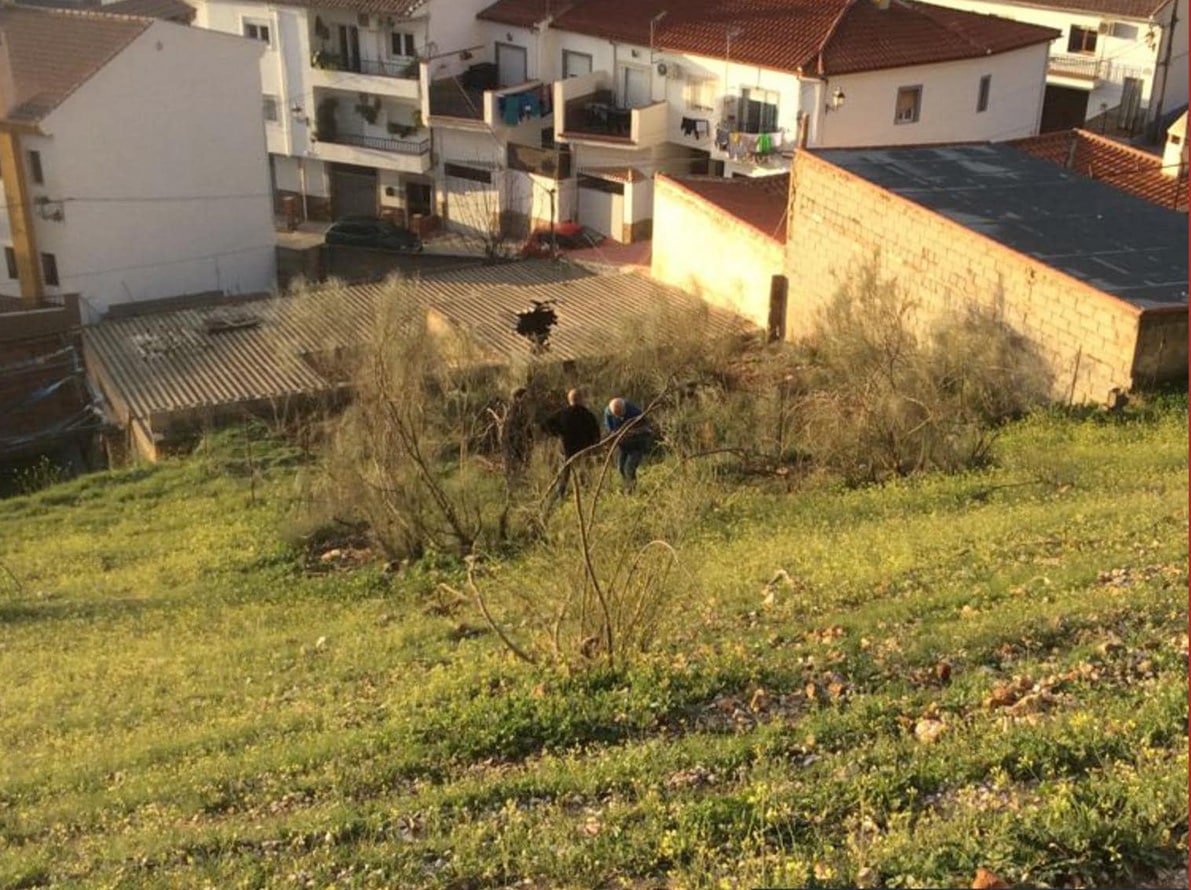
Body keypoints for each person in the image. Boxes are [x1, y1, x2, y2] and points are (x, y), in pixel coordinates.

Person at [540, 388, 601, 500]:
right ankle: (586, 493)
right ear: (581, 399)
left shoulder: (562, 413)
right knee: (584, 470)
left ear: (569, 400)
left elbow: (544, 425)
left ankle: (560, 494)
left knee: (564, 472)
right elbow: (596, 432)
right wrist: (594, 445)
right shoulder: (587, 414)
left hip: (566, 448)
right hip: (584, 448)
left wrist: (557, 433)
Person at [604, 397, 652, 493]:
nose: (619, 417)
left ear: (624, 409)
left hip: (636, 444)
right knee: (620, 468)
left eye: (620, 414)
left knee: (629, 468)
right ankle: (627, 487)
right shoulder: (608, 413)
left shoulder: (635, 412)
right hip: (623, 445)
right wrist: (614, 437)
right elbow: (610, 430)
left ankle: (632, 490)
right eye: (616, 415)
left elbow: (646, 429)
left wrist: (631, 432)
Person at [501, 387, 534, 480]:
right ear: (518, 398)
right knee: (514, 461)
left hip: (518, 440)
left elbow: (526, 425)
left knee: (520, 460)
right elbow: (513, 426)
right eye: (523, 397)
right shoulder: (514, 410)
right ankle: (512, 480)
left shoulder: (520, 409)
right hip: (513, 440)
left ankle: (518, 478)